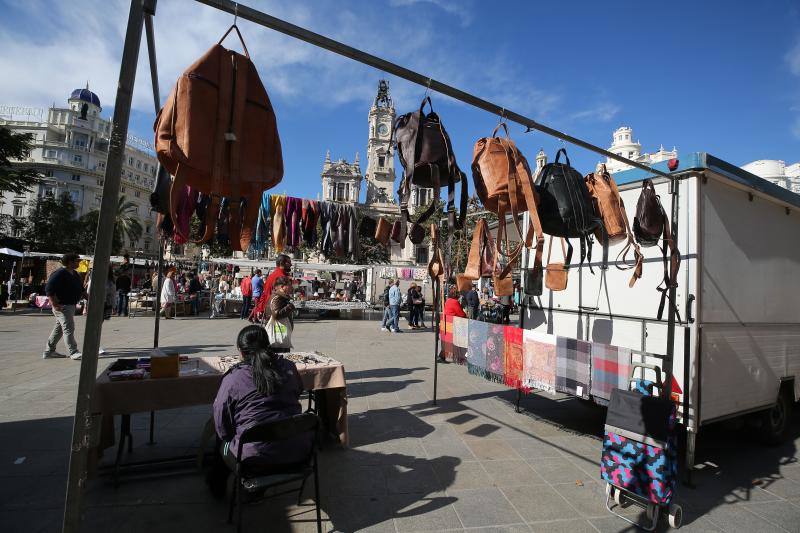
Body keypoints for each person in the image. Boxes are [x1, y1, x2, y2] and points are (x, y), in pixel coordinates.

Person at [207, 325, 311, 499]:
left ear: (240, 351)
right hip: (299, 452)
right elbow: (297, 391)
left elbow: (221, 424)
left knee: (221, 441)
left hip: (254, 461)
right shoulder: (289, 367)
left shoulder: (234, 378)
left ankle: (217, 489)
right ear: (268, 345)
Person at [43, 253, 84, 360]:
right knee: (69, 328)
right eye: (77, 261)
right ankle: (73, 352)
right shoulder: (59, 273)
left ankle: (49, 351)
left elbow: (81, 289)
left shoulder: (74, 274)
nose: (79, 263)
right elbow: (49, 289)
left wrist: (90, 298)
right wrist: (55, 304)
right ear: (70, 262)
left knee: (59, 329)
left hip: (71, 305)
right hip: (62, 306)